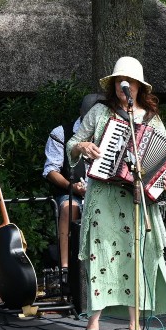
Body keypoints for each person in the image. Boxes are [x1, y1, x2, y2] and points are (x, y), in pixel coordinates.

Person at [66, 57, 166, 330]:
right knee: (101, 256)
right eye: (119, 81)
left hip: (138, 201)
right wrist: (83, 146)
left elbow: (165, 162)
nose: (122, 86)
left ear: (139, 87)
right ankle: (93, 325)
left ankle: (135, 325)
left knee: (136, 258)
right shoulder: (100, 113)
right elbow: (72, 143)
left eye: (128, 82)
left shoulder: (152, 120)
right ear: (113, 84)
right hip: (104, 197)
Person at [42, 92, 103, 293]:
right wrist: (72, 186)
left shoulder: (108, 134)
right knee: (69, 209)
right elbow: (50, 170)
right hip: (72, 192)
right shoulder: (61, 133)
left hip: (102, 192)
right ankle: (65, 271)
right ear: (81, 114)